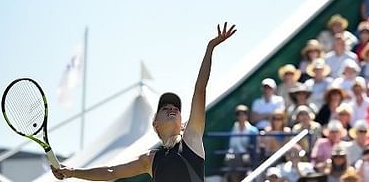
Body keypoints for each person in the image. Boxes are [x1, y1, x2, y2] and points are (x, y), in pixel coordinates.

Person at [51, 22, 237, 181]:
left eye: (175, 108)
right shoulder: (150, 159)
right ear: (155, 124)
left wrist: (210, 48)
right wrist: (72, 172)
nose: (172, 109)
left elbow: (199, 89)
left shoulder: (192, 137)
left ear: (183, 124)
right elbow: (111, 172)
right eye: (165, 108)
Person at [224, 105, 258, 182]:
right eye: (239, 114)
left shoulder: (253, 131)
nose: (241, 116)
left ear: (247, 116)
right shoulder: (232, 129)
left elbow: (254, 147)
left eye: (243, 114)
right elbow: (229, 146)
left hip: (247, 157)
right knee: (230, 159)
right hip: (233, 156)